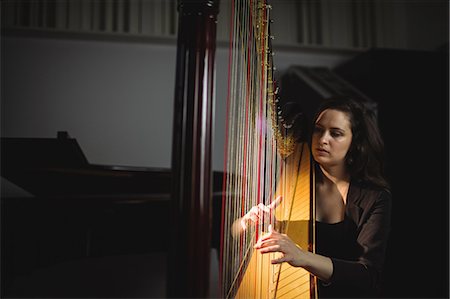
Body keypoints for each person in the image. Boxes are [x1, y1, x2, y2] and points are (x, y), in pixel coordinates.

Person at [234, 97, 392, 298]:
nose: (323, 139)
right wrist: (246, 222)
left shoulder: (376, 198)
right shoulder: (290, 175)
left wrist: (303, 257)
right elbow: (230, 234)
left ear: (355, 142)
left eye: (336, 133)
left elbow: (368, 276)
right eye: (318, 129)